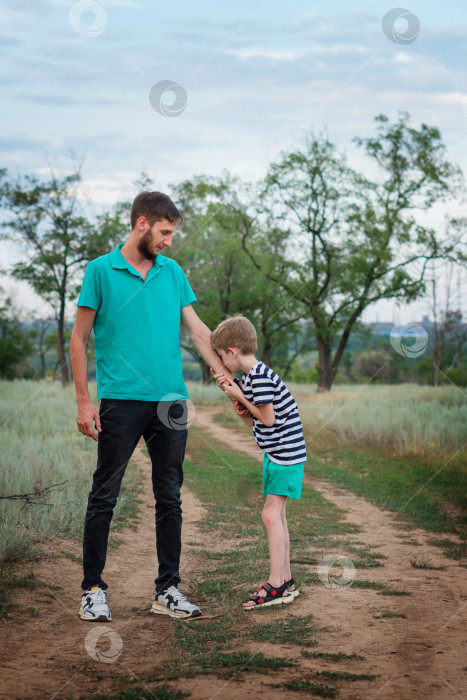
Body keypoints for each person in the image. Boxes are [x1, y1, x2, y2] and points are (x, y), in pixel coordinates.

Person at [70, 191, 234, 621]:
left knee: (170, 497)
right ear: (142, 224)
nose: (169, 241)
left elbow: (199, 332)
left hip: (170, 403)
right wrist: (84, 401)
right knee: (104, 494)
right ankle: (92, 590)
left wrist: (225, 379)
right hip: (120, 400)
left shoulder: (172, 272)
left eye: (172, 233)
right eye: (165, 232)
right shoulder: (100, 271)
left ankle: (168, 590)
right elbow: (78, 339)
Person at [211, 315, 307, 609]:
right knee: (276, 516)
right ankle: (286, 581)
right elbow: (260, 423)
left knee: (270, 515)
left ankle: (276, 585)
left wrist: (240, 395)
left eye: (220, 356)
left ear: (232, 351)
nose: (220, 362)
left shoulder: (260, 377)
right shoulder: (254, 376)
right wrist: (241, 407)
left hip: (285, 456)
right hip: (277, 454)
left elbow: (268, 418)